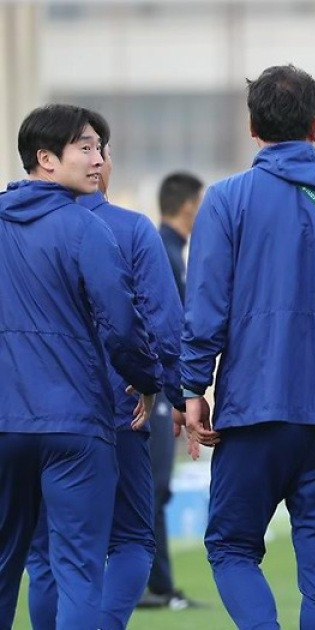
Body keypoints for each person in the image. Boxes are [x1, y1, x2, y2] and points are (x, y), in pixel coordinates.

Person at [178, 64, 315, 629]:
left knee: (231, 547)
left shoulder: (226, 201)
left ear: (253, 126)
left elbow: (205, 308)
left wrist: (192, 388)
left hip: (254, 407)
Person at [0, 104, 162, 629]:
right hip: (76, 424)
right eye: (87, 148)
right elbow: (122, 322)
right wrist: (145, 380)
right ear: (45, 158)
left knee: (10, 566)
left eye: (99, 149)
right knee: (79, 569)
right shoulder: (86, 229)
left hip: (5, 423)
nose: (99, 160)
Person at [24, 141, 185, 630]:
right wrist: (177, 391)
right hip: (117, 412)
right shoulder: (130, 229)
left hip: (26, 416)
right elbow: (163, 322)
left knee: (44, 556)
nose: (98, 160)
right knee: (133, 542)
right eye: (92, 149)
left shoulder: (17, 230)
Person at [140, 170, 205, 611]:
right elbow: (163, 324)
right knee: (152, 485)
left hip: (162, 387)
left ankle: (158, 584)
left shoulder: (171, 250)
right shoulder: (161, 251)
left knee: (156, 487)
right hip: (157, 387)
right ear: (188, 206)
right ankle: (152, 586)